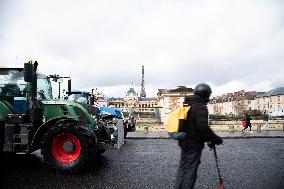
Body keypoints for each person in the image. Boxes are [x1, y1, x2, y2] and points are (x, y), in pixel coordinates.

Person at [174, 83, 223, 189]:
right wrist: (215, 139)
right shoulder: (200, 106)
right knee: (190, 170)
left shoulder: (187, 104)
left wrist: (208, 138)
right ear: (206, 95)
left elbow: (192, 125)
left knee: (183, 168)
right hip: (193, 144)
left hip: (183, 141)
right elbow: (202, 127)